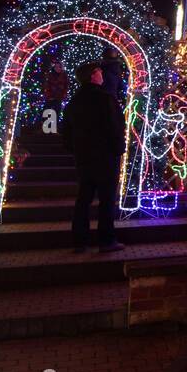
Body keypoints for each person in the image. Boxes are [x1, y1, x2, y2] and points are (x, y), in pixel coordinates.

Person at [61, 62, 126, 253]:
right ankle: (106, 240)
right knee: (107, 200)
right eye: (99, 72)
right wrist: (118, 149)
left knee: (83, 199)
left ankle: (79, 241)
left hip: (84, 158)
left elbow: (67, 132)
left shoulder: (74, 102)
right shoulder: (105, 98)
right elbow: (115, 128)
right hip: (106, 157)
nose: (102, 74)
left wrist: (75, 149)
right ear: (92, 76)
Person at [42, 56, 69, 123]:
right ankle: (45, 129)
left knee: (57, 112)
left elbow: (66, 86)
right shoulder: (50, 75)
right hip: (50, 97)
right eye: (56, 67)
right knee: (47, 112)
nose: (57, 68)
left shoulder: (64, 75)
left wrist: (63, 94)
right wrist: (49, 95)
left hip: (59, 97)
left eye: (59, 67)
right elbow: (46, 85)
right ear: (53, 68)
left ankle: (54, 129)